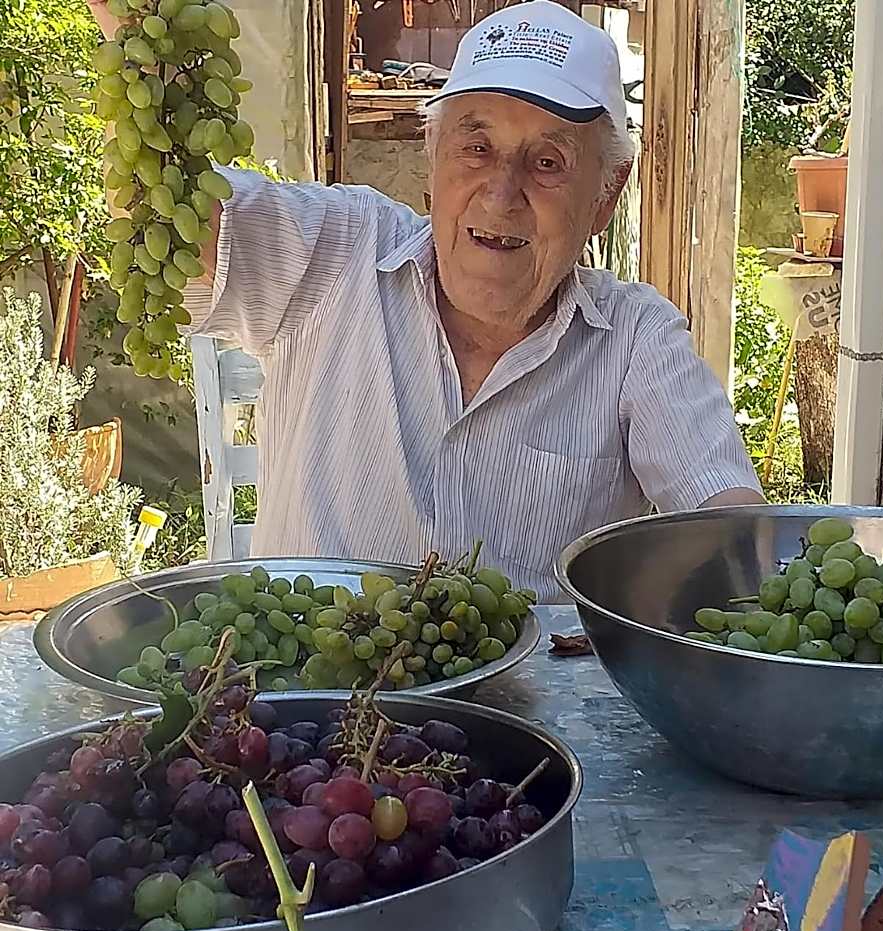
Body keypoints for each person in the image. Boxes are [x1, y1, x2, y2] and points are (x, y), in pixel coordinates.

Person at [86, 0, 763, 602]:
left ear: (606, 195)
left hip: (527, 704)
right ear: (431, 161)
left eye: (547, 162)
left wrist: (747, 583)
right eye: (476, 147)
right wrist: (139, 38)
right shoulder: (337, 250)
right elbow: (165, 213)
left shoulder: (637, 339)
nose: (501, 193)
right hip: (305, 696)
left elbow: (729, 524)